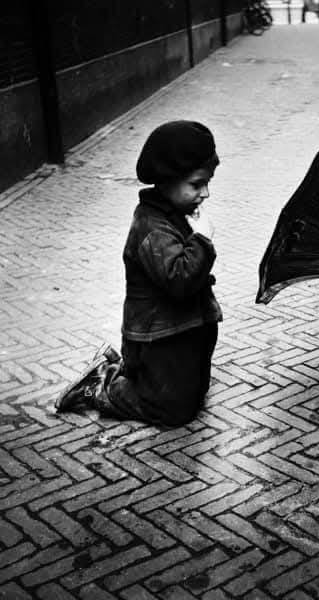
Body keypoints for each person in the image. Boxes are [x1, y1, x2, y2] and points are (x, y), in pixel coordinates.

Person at [54, 120, 222, 427]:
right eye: (197, 184)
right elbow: (179, 281)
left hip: (183, 331)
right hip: (158, 338)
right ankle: (100, 385)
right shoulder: (150, 227)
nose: (206, 193)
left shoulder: (177, 213)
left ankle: (131, 375)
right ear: (167, 181)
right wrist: (201, 240)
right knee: (171, 413)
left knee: (192, 396)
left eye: (207, 183)